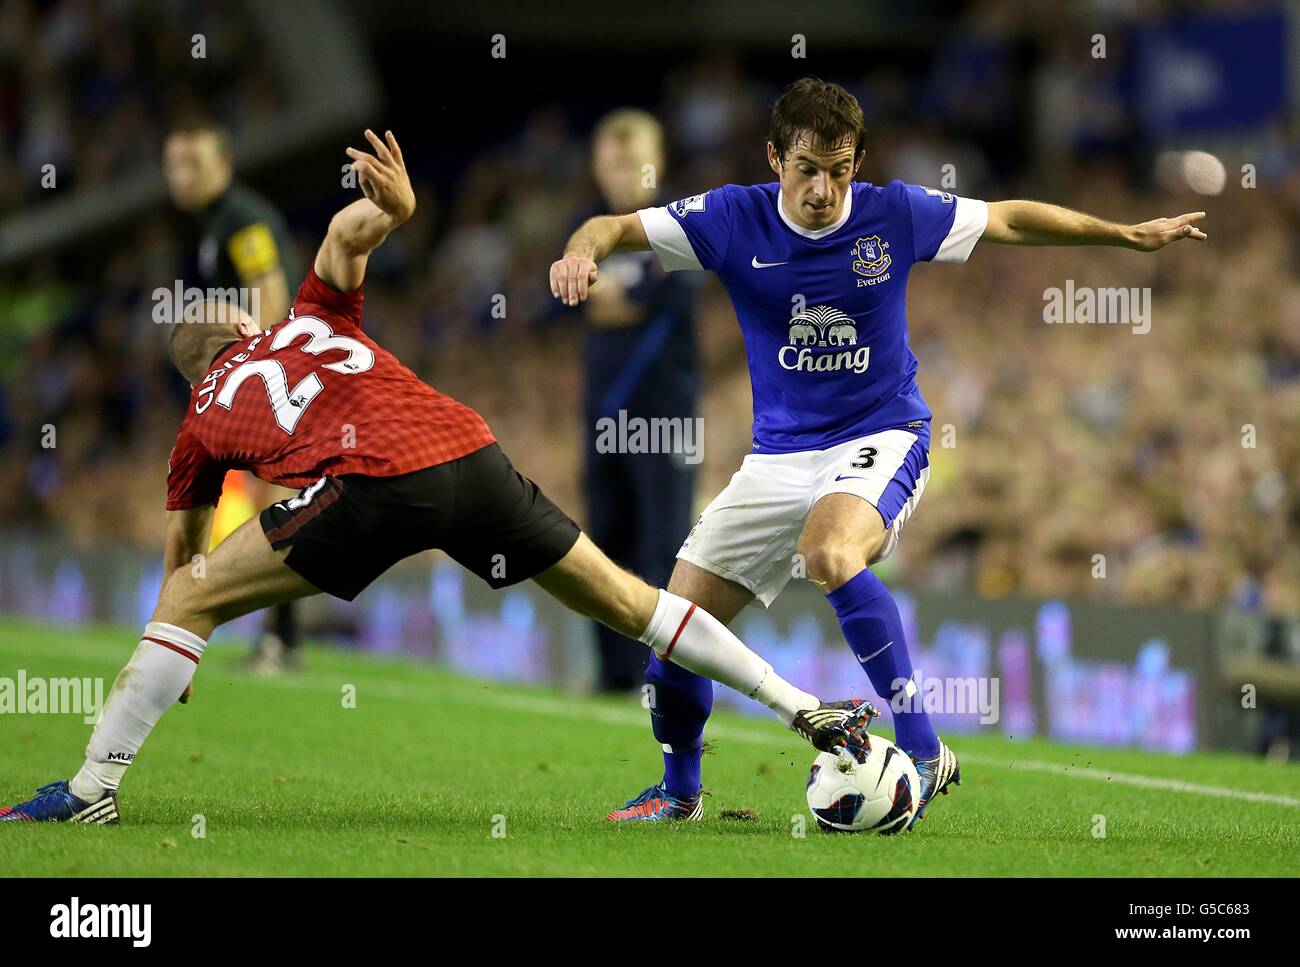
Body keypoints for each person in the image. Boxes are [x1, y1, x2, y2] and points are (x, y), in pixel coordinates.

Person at [1, 129, 875, 826]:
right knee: (631, 600)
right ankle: (805, 707)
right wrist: (399, 207)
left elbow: (180, 564)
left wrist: (178, 640)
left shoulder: (197, 422)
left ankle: (89, 788)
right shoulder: (310, 311)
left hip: (371, 483)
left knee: (192, 600)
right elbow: (351, 233)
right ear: (238, 324)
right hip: (466, 450)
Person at [549, 77, 1207, 825]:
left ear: (858, 160)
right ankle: (679, 794)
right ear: (774, 158)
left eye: (839, 168)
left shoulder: (895, 213)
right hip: (777, 457)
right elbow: (610, 227)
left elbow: (1007, 220)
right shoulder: (730, 218)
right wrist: (579, 253)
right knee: (673, 631)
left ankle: (925, 748)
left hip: (881, 434)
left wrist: (1125, 234)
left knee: (829, 553)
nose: (824, 189)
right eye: (807, 168)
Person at [163, 117, 302, 673]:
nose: (180, 176)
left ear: (224, 165)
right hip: (268, 374)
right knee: (270, 501)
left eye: (192, 163)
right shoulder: (210, 222)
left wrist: (246, 373)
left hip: (276, 378)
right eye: (173, 164)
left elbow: (270, 287)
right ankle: (275, 636)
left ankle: (281, 640)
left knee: (278, 501)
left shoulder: (242, 218)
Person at [573, 109, 701, 692]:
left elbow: (674, 296)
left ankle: (663, 678)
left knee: (663, 545)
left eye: (632, 160)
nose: (620, 172)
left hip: (667, 417)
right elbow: (560, 301)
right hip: (602, 413)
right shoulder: (586, 228)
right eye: (610, 161)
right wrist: (625, 295)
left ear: (658, 160)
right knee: (602, 543)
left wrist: (614, 295)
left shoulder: (678, 224)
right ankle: (612, 677)